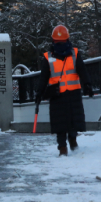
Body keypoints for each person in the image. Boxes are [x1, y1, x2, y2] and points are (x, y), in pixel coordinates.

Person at [36, 25, 94, 156]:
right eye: (58, 41)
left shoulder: (75, 54)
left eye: (61, 41)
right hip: (57, 94)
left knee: (73, 120)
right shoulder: (48, 57)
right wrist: (39, 93)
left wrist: (87, 85)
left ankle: (72, 140)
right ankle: (62, 146)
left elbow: (82, 71)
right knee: (60, 122)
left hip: (73, 92)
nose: (60, 43)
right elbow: (43, 77)